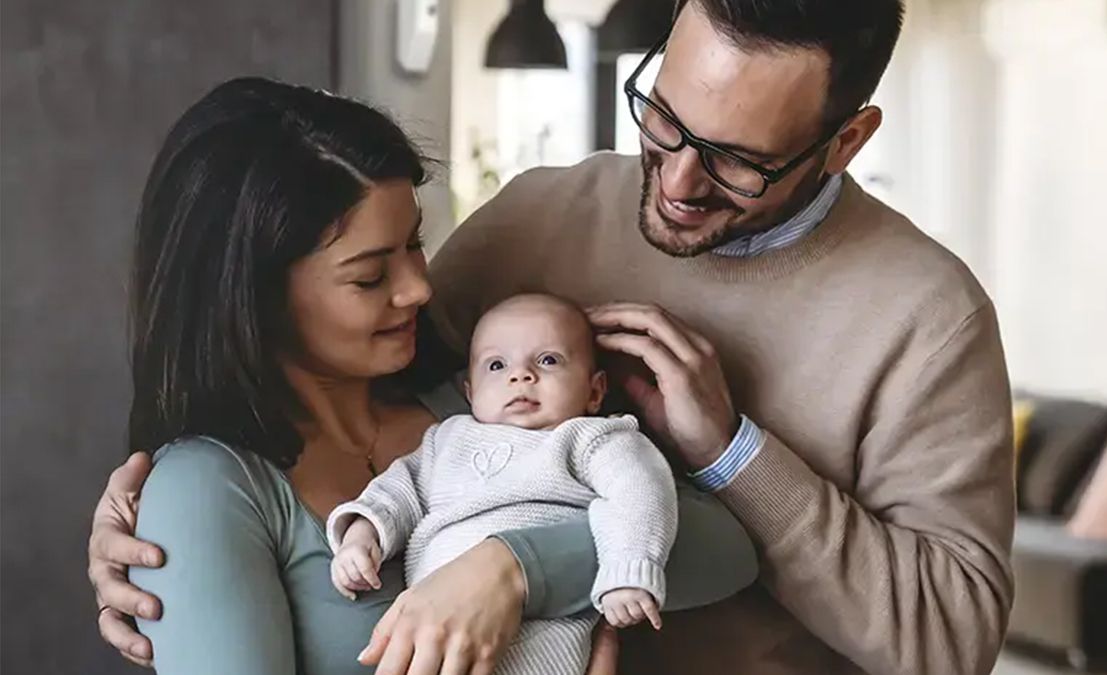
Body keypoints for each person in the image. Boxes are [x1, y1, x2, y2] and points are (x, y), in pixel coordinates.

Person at [90, 0, 1017, 672]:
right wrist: (160, 515)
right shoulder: (539, 218)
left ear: (847, 139)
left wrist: (728, 455)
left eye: (738, 162)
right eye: (664, 117)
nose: (680, 181)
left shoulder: (927, 318)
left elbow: (948, 635)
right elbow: (287, 393)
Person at [90, 76, 757, 675]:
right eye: (370, 275)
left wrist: (508, 570)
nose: (416, 288)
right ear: (254, 295)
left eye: (415, 242)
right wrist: (580, 554)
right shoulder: (207, 488)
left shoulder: (469, 400)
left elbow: (723, 546)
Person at [329, 294, 678, 674]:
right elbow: (398, 491)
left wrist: (629, 569)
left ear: (594, 391)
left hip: (543, 636)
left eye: (548, 360)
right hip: (436, 637)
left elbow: (640, 491)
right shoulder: (446, 441)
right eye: (497, 365)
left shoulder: (591, 438)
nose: (521, 375)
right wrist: (361, 536)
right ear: (471, 392)